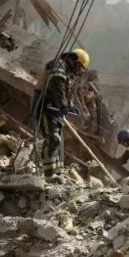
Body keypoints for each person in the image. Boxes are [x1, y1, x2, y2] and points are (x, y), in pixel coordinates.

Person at [31, 48, 90, 177]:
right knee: (52, 138)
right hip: (45, 107)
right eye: (79, 67)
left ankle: (56, 173)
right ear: (73, 60)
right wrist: (63, 106)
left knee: (57, 142)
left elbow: (66, 92)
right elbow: (57, 87)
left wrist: (70, 106)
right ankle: (48, 174)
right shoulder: (58, 66)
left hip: (54, 110)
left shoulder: (66, 72)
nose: (78, 71)